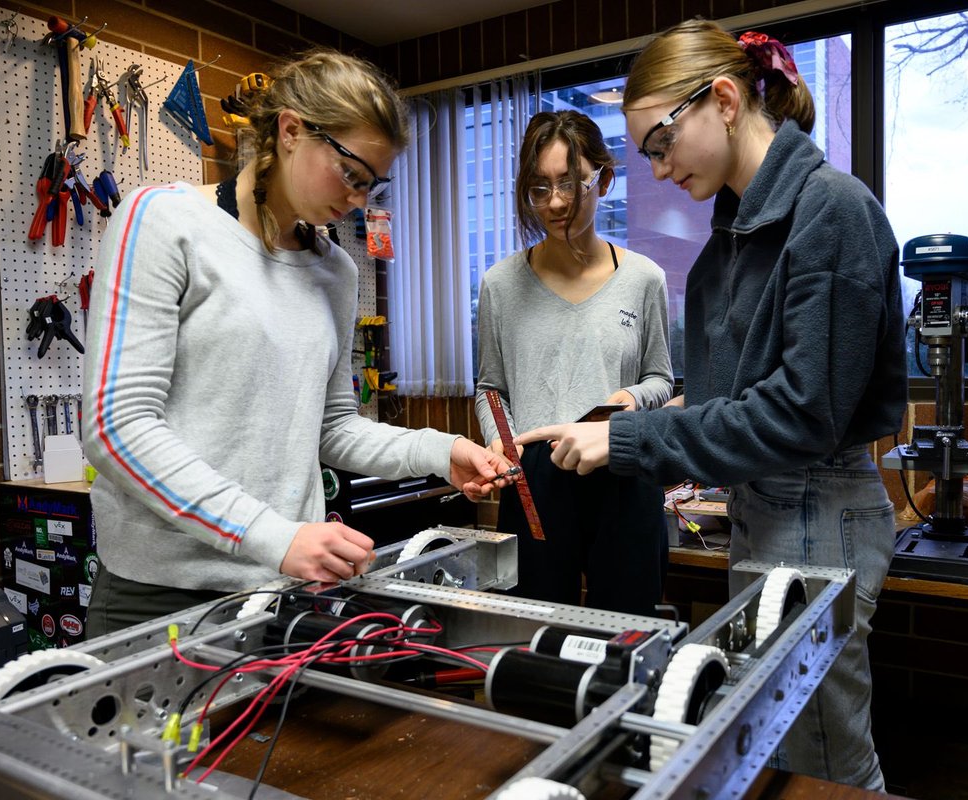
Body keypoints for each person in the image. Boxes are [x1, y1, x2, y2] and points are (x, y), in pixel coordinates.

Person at [516, 20, 907, 791]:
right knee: (776, 749)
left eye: (660, 143)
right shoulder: (733, 235)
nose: (657, 170)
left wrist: (627, 445)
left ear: (723, 100)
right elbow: (728, 399)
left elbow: (801, 416)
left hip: (817, 509)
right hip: (767, 507)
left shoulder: (830, 213)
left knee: (824, 758)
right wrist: (608, 427)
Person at [82, 48, 514, 636]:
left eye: (374, 185)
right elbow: (117, 426)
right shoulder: (164, 222)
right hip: (161, 595)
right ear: (290, 130)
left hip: (281, 592)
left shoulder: (336, 272)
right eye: (353, 174)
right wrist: (271, 535)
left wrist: (442, 452)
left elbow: (334, 426)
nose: (361, 199)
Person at [474, 110, 674, 616]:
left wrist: (629, 398)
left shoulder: (644, 278)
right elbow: (491, 388)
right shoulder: (500, 285)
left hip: (623, 465)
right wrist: (499, 438)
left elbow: (661, 380)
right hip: (534, 478)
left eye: (569, 185)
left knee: (629, 628)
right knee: (530, 630)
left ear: (602, 179)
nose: (555, 203)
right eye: (539, 189)